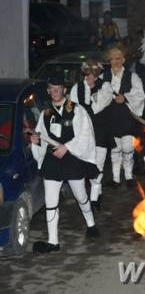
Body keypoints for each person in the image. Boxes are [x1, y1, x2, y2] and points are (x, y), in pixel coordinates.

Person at [30, 78, 100, 253]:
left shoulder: (77, 110)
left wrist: (67, 147)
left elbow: (85, 134)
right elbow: (41, 135)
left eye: (58, 88)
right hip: (53, 160)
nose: (55, 92)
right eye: (52, 89)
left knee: (81, 195)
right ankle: (53, 242)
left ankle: (91, 224)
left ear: (64, 90)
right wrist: (36, 141)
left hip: (72, 158)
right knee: (51, 202)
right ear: (48, 91)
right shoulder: (45, 113)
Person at [69, 60, 113, 210]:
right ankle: (96, 192)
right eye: (88, 73)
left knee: (98, 164)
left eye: (94, 73)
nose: (91, 77)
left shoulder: (105, 87)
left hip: (100, 131)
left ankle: (94, 198)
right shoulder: (77, 88)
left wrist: (91, 92)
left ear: (98, 74)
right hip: (83, 133)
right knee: (87, 163)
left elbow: (97, 107)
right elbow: (73, 108)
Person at [103, 45, 145, 187]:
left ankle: (128, 176)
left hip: (127, 118)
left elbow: (140, 94)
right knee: (115, 150)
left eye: (118, 58)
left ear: (123, 59)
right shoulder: (103, 76)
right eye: (113, 59)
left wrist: (126, 97)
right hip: (110, 118)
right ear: (109, 60)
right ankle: (115, 178)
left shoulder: (132, 76)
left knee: (128, 148)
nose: (116, 61)